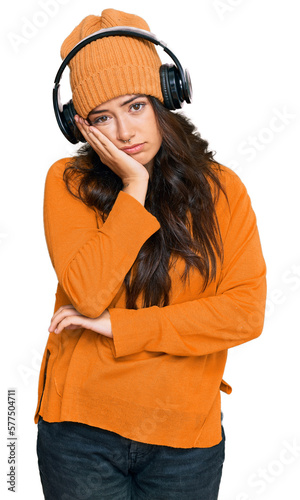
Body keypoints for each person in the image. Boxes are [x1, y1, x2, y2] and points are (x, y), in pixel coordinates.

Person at [35, 8, 267, 500]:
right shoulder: (69, 183)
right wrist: (133, 187)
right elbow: (90, 293)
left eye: (135, 106)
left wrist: (125, 328)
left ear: (166, 95)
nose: (123, 133)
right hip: (80, 431)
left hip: (186, 438)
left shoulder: (223, 190)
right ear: (80, 125)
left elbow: (245, 313)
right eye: (103, 117)